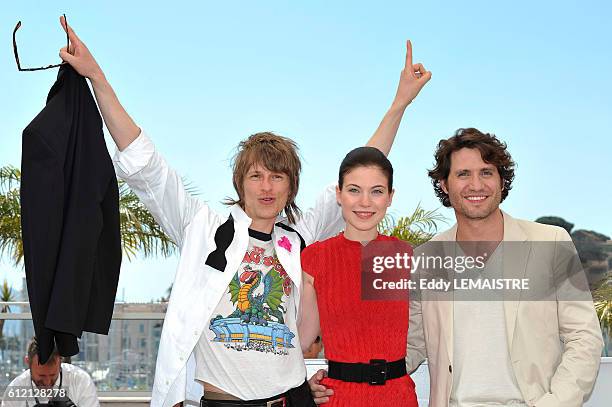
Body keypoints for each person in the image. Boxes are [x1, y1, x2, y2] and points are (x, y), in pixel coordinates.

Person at [57, 16, 431, 407]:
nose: (266, 187)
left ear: (291, 186)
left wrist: (399, 103)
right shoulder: (202, 226)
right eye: (256, 176)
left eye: (277, 177)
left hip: (290, 400)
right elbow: (146, 165)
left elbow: (362, 172)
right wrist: (97, 77)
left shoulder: (297, 235)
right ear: (241, 182)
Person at [311, 128, 604, 406]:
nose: (476, 185)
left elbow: (585, 337)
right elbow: (410, 345)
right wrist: (338, 375)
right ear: (445, 185)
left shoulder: (551, 242)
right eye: (463, 174)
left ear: (502, 181)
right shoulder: (425, 258)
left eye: (486, 173)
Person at [299, 147, 419, 406]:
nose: (365, 202)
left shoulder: (406, 257)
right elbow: (302, 339)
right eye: (354, 190)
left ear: (390, 197)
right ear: (339, 194)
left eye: (376, 191)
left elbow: (431, 334)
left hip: (398, 398)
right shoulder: (315, 258)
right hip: (337, 399)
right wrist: (302, 386)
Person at [1, 337, 99, 407]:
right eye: (41, 375)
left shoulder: (80, 380)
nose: (47, 382)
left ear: (61, 361)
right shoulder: (15, 389)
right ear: (28, 363)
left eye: (52, 375)